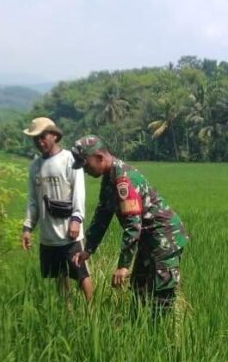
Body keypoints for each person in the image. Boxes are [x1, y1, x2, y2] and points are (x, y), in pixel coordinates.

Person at [69, 135, 188, 315]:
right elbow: (102, 215)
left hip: (164, 239)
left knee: (160, 296)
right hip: (148, 240)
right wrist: (89, 248)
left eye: (86, 165)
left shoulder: (123, 180)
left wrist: (123, 266)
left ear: (99, 157)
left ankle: (162, 336)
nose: (85, 171)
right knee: (138, 291)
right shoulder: (109, 178)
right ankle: (139, 332)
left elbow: (133, 224)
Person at [21, 117, 94, 302]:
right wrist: (28, 228)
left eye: (43, 136)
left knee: (80, 273)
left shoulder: (70, 160)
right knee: (59, 275)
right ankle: (66, 311)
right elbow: (33, 201)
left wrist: (76, 219)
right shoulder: (35, 167)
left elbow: (79, 192)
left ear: (54, 135)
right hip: (48, 234)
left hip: (69, 232)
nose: (39, 141)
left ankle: (91, 310)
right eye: (35, 138)